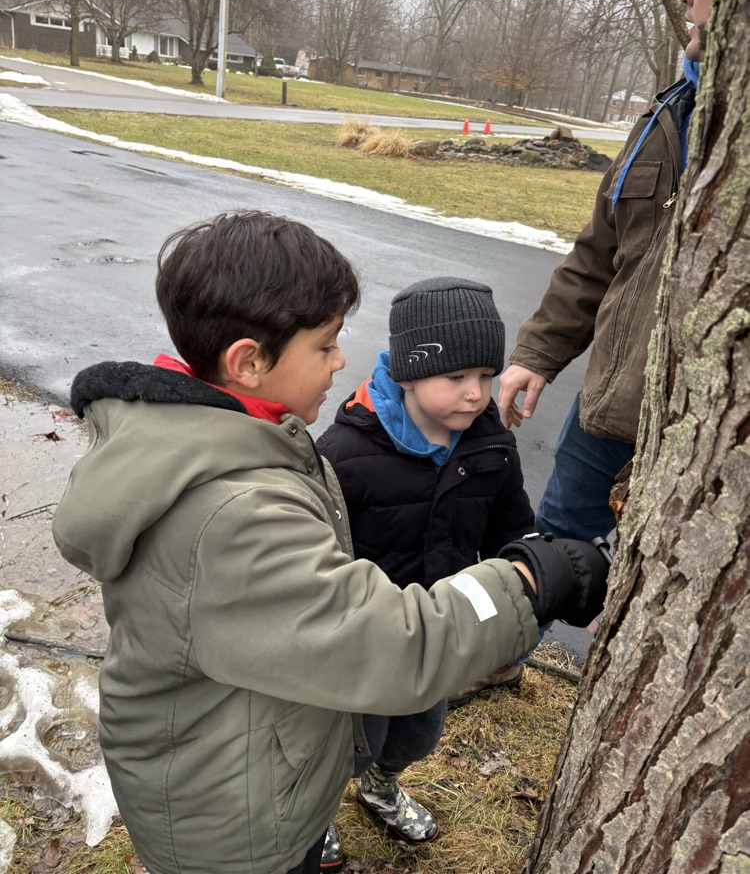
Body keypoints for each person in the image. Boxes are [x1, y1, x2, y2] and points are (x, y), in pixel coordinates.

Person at [52, 210, 609, 874]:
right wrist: (524, 581)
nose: (343, 359)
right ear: (248, 361)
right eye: (325, 345)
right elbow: (389, 644)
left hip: (259, 757)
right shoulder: (232, 513)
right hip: (237, 830)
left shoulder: (231, 437)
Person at [497, 0, 736, 542]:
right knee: (555, 553)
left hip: (714, 435)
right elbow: (598, 255)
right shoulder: (665, 116)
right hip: (609, 408)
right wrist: (539, 353)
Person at [316, 277, 534, 869]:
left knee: (417, 732)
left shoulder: (491, 447)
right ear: (409, 374)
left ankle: (381, 786)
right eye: (456, 378)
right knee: (348, 741)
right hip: (361, 637)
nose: (476, 394)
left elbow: (511, 527)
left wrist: (529, 569)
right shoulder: (344, 454)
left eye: (487, 377)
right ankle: (314, 815)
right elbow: (316, 553)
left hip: (441, 631)